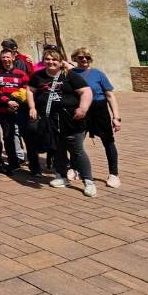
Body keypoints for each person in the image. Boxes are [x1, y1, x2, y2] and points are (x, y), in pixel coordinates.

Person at [29, 49, 96, 197]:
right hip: (50, 119)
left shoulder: (70, 76)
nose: (51, 62)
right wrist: (32, 107)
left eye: (54, 60)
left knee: (77, 150)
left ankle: (89, 181)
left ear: (60, 62)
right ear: (43, 61)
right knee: (57, 149)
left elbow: (86, 92)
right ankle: (62, 176)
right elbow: (30, 90)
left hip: (71, 119)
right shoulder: (38, 76)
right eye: (47, 59)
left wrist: (83, 108)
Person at [71, 48, 122, 188]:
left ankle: (114, 174)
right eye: (81, 57)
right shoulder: (70, 74)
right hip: (81, 110)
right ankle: (74, 168)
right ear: (75, 58)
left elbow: (110, 96)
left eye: (87, 57)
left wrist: (116, 117)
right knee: (76, 141)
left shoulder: (98, 74)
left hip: (99, 109)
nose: (84, 60)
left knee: (108, 141)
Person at [0, 49, 30, 175]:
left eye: (8, 57)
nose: (6, 60)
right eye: (3, 58)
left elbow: (25, 90)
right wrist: (8, 101)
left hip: (14, 111)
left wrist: (16, 103)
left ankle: (14, 163)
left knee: (9, 137)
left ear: (13, 58)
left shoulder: (21, 74)